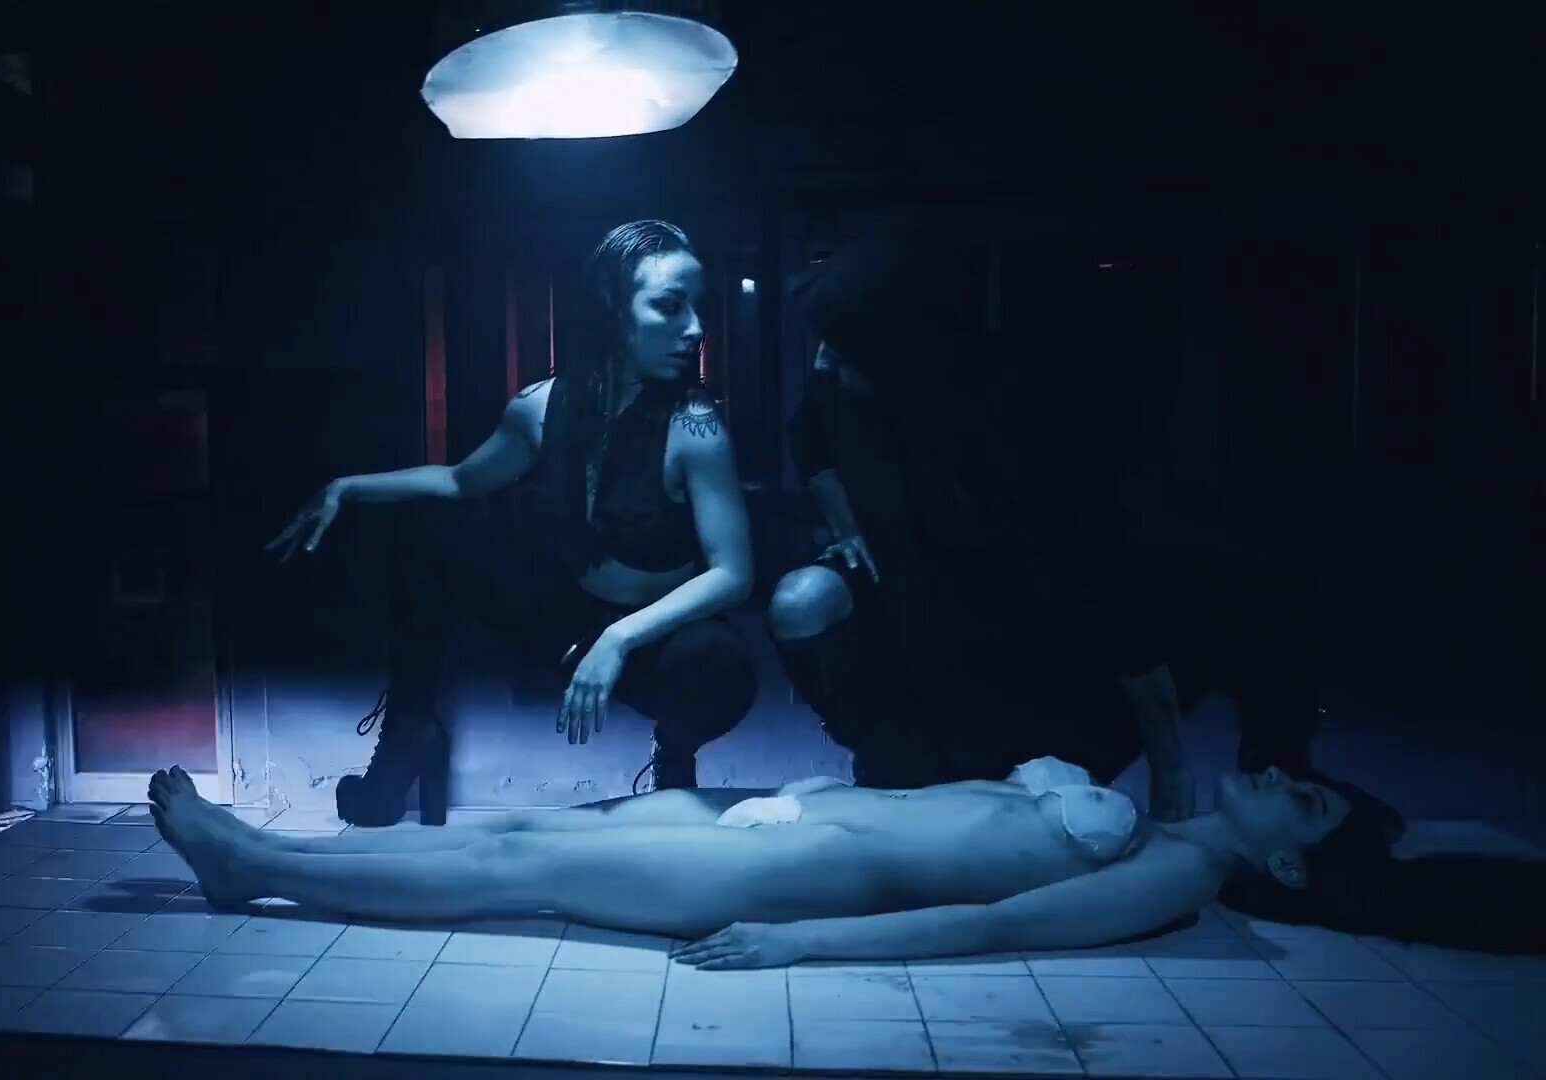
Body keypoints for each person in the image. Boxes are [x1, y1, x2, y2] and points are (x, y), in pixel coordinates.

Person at [767, 232, 1403, 834]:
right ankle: (897, 762)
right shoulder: (843, 393)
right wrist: (850, 523)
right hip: (932, 676)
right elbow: (808, 436)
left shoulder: (1005, 426)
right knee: (806, 600)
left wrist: (1170, 768)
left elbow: (1109, 594)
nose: (821, 359)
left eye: (838, 344)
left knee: (1267, 603)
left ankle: (1285, 772)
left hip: (1039, 661)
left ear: (891, 344)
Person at [265, 221, 758, 828]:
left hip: (649, 642)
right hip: (563, 620)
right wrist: (347, 486)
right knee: (429, 522)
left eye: (697, 307)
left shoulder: (696, 427)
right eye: (670, 306)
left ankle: (674, 757)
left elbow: (734, 574)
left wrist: (619, 639)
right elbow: (459, 482)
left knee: (722, 665)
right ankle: (409, 734)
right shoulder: (539, 407)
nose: (696, 328)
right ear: (612, 308)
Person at [145, 756, 1363, 968]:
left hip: (804, 881)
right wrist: (794, 797)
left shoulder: (1180, 876)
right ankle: (266, 852)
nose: (1279, 775)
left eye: (1303, 803)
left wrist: (802, 943)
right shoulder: (1154, 818)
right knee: (545, 832)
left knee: (525, 860)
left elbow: (1001, 927)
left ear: (1291, 869)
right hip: (795, 824)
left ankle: (252, 864)